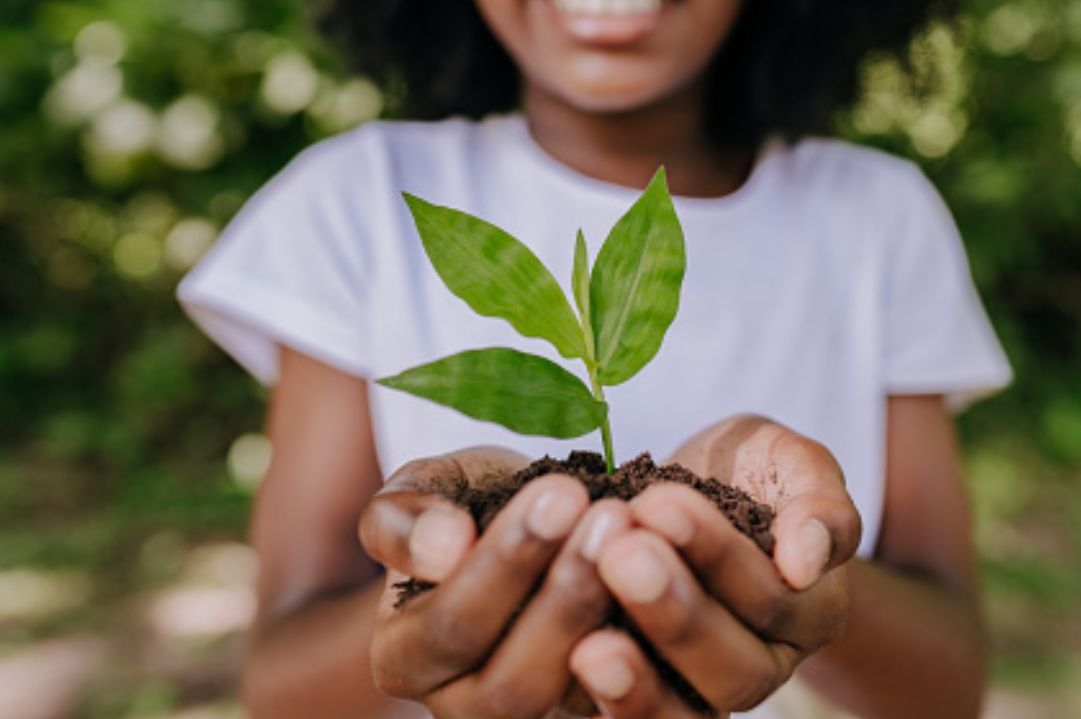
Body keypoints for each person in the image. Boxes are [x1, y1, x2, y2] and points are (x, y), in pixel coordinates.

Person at [178, 1, 1012, 717]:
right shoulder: (354, 203)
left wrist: (796, 575)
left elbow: (948, 685)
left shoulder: (876, 217)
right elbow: (280, 685)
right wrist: (456, 590)